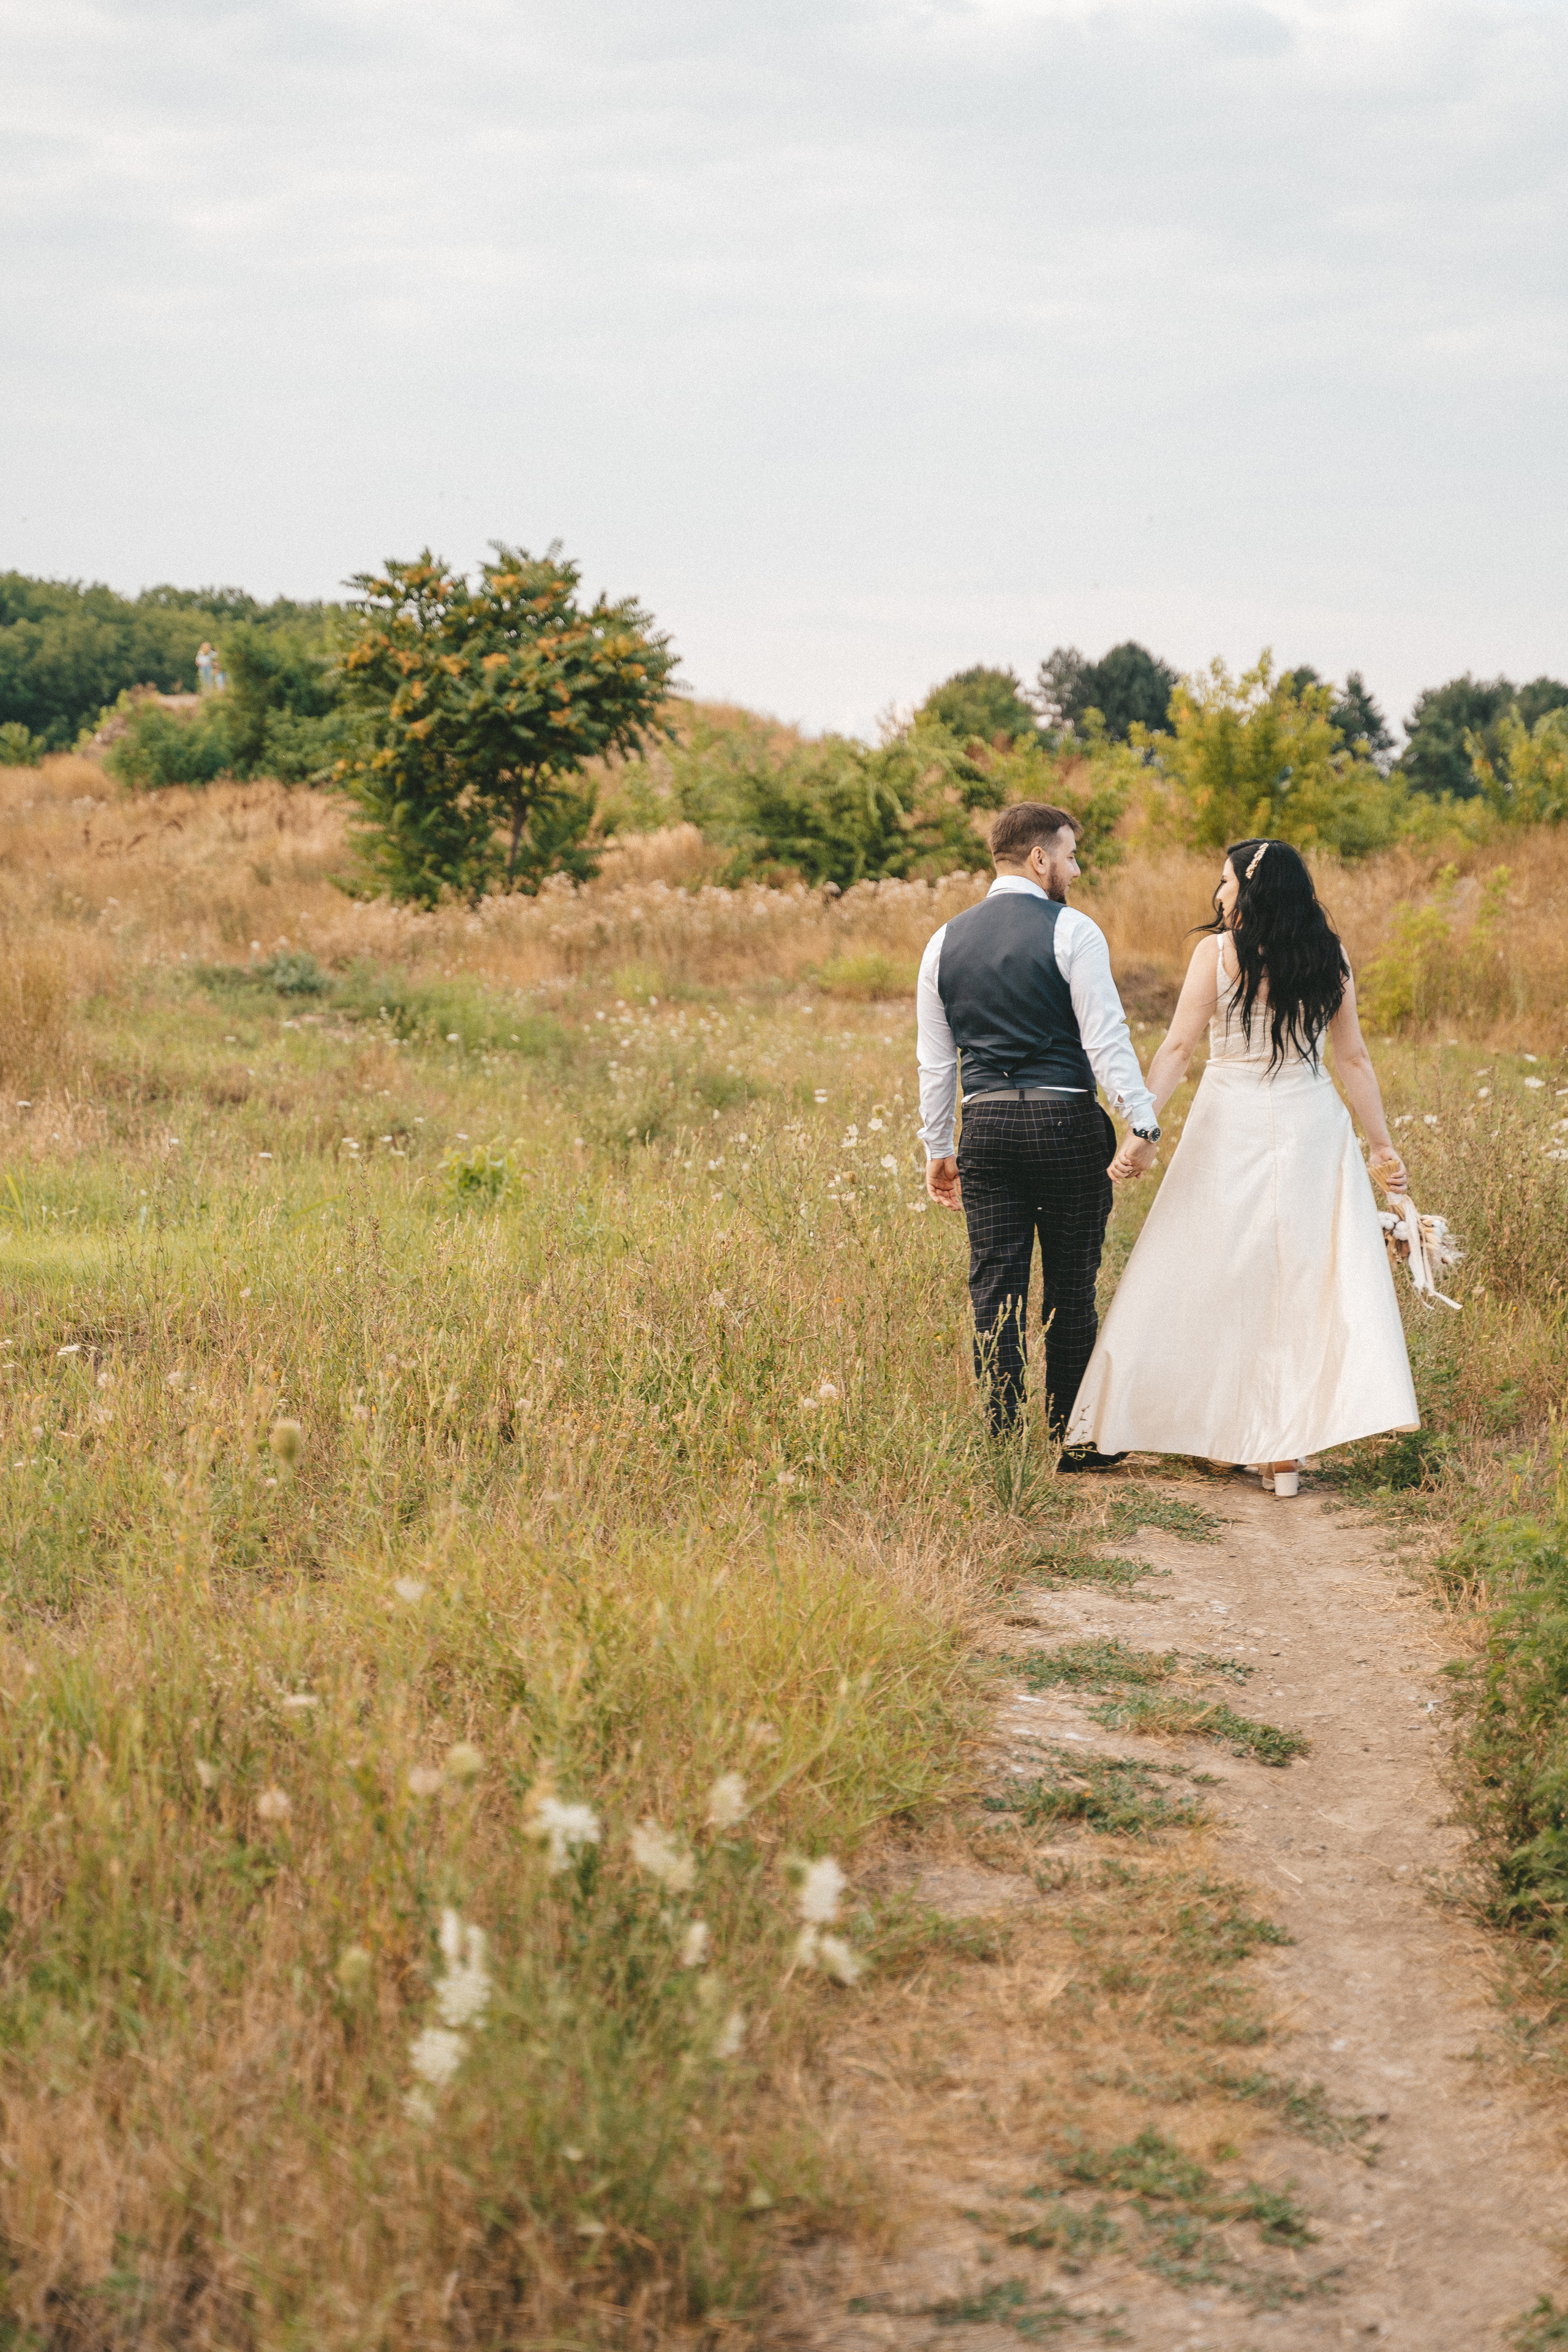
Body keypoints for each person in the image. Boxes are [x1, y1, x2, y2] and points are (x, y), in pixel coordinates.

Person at [1065, 839, 1418, 1495]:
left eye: (1224, 883)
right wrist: (1380, 1146)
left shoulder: (1216, 954)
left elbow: (1177, 1048)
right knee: (1304, 1277)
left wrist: (1143, 1129)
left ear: (1249, 889)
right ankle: (1285, 1447)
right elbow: (1353, 1060)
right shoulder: (1328, 955)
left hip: (1229, 1119)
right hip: (1311, 1119)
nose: (1219, 894)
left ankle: (1227, 1430)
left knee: (1216, 1270)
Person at [918, 801, 1159, 1465]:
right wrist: (1141, 1120)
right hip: (1063, 1121)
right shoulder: (1073, 931)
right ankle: (1071, 1439)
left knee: (995, 1284)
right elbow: (1105, 1038)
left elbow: (937, 1062)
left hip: (987, 1126)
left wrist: (939, 1149)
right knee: (1071, 1283)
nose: (1075, 870)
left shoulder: (942, 942)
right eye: (1070, 855)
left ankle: (1001, 1440)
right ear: (1038, 858)